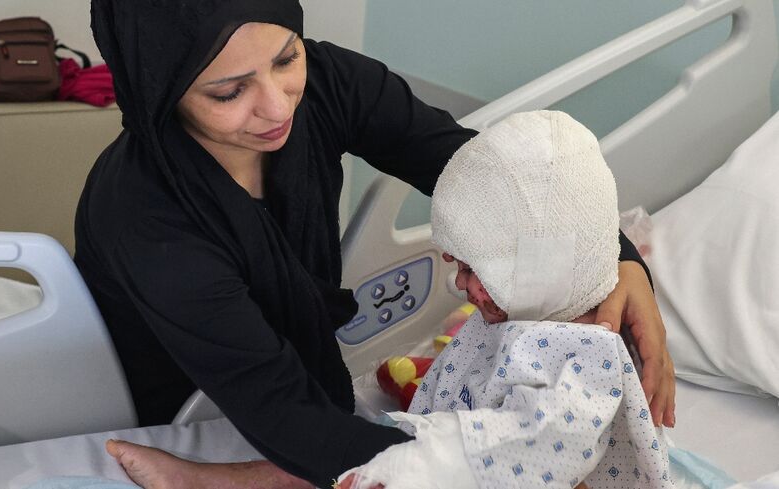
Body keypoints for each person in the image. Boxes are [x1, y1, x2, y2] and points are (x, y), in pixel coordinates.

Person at [74, 1, 674, 488]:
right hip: (186, 396)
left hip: (301, 387)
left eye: (287, 58)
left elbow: (490, 175)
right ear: (161, 90)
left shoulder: (329, 83)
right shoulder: (143, 215)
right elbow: (281, 408)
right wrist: (505, 473)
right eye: (229, 93)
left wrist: (618, 261)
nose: (277, 104)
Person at [337, 110, 673, 489]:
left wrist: (417, 464)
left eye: (471, 268)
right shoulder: (521, 308)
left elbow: (536, 442)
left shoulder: (588, 355)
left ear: (539, 267)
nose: (458, 283)